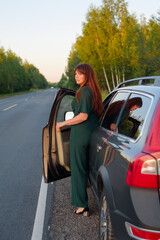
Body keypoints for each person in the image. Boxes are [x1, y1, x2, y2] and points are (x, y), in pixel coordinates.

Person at [56, 63, 103, 216]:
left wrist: (62, 123)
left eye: (80, 74)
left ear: (87, 75)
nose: (76, 76)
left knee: (78, 169)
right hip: (92, 133)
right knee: (84, 167)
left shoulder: (83, 92)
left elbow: (82, 116)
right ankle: (84, 202)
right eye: (75, 73)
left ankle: (82, 205)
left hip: (80, 134)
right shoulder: (93, 91)